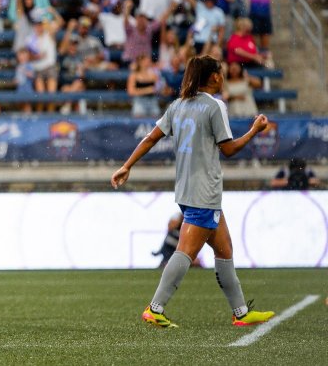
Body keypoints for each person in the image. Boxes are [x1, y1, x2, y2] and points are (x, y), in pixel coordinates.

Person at [111, 55, 275, 328]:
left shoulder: (178, 106)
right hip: (204, 192)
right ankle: (155, 308)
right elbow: (229, 149)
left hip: (186, 191)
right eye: (220, 73)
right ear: (213, 77)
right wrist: (255, 130)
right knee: (185, 250)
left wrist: (127, 165)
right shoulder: (214, 106)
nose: (222, 77)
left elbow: (151, 137)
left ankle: (241, 312)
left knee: (225, 250)